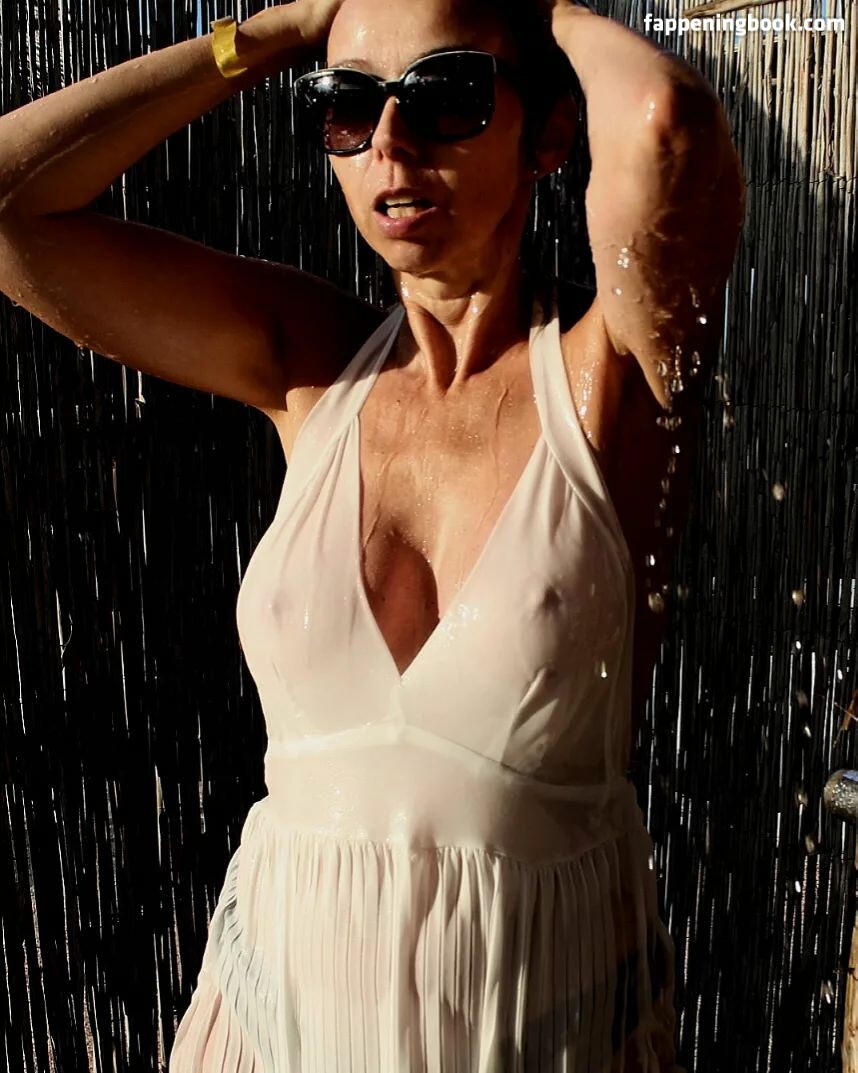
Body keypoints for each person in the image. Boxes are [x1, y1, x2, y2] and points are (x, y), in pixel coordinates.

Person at [0, 0, 745, 1068]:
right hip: (267, 1021)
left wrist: (535, 5)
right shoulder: (309, 369)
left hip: (542, 1028)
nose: (390, 142)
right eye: (347, 104)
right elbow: (13, 209)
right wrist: (265, 36)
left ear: (549, 134)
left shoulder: (613, 380)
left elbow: (664, 121)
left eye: (448, 94)